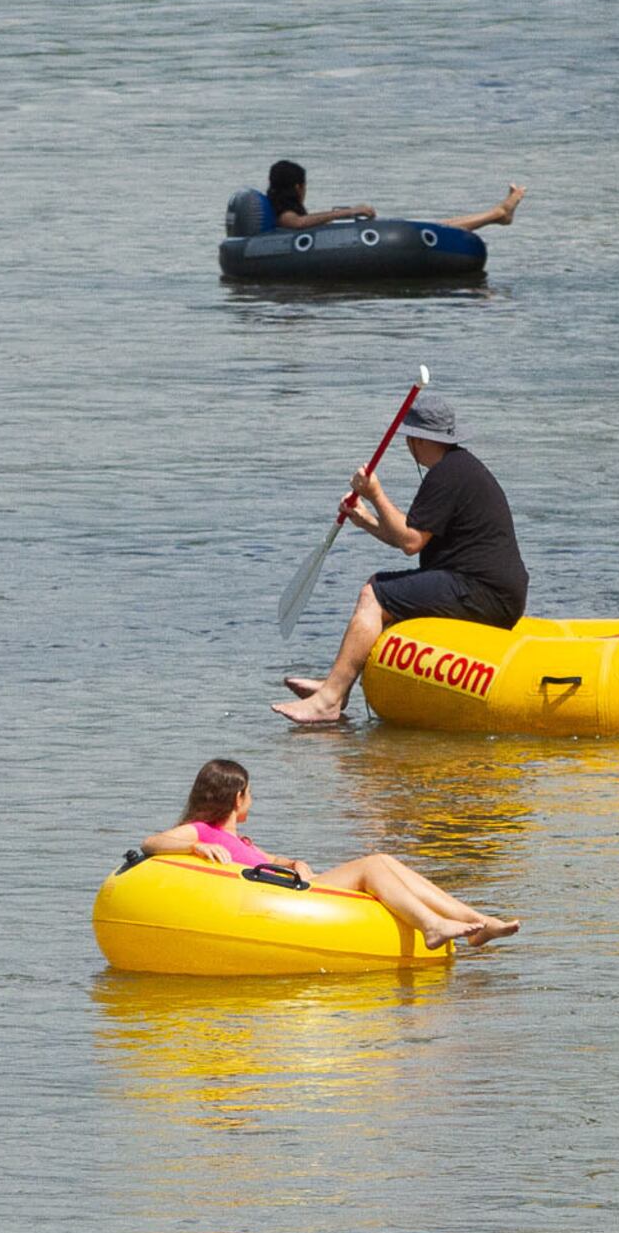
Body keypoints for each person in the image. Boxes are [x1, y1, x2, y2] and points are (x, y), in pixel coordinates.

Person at [276, 388, 530, 727]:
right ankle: (335, 687)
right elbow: (413, 538)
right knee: (383, 589)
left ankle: (329, 701)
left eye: (410, 438)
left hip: (484, 593)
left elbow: (410, 541)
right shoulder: (457, 467)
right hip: (489, 591)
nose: (408, 445)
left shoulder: (448, 474)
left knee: (375, 592)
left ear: (421, 440)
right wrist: (363, 518)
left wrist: (376, 493)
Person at [143, 758, 514, 950]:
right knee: (373, 865)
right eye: (250, 793)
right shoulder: (203, 831)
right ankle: (432, 925)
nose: (252, 800)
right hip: (282, 903)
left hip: (293, 887)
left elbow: (266, 862)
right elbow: (151, 842)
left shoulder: (243, 841)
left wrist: (292, 863)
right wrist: (193, 845)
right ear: (237, 797)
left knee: (384, 861)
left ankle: (477, 923)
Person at [232, 160, 525, 236]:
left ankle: (497, 214)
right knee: (434, 226)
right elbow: (296, 223)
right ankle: (498, 215)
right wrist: (346, 212)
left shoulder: (276, 208)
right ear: (297, 187)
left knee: (435, 224)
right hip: (338, 235)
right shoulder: (284, 213)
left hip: (338, 237)